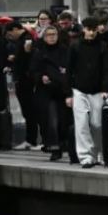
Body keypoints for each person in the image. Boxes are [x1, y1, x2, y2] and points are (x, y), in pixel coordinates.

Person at [66, 16, 108, 168]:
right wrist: (68, 93)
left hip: (97, 90)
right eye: (89, 29)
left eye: (94, 30)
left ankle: (97, 153)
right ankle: (86, 157)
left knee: (96, 124)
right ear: (84, 29)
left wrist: (105, 89)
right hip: (78, 90)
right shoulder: (75, 46)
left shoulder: (102, 47)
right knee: (81, 124)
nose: (91, 33)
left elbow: (106, 70)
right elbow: (69, 70)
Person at [31, 25, 71, 160]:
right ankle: (55, 147)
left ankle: (61, 144)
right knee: (51, 120)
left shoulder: (65, 51)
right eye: (49, 34)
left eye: (54, 34)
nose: (52, 37)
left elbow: (69, 69)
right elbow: (33, 71)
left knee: (63, 121)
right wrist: (41, 77)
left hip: (62, 91)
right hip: (46, 92)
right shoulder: (39, 52)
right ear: (44, 37)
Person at [5, 22, 40, 150]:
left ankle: (31, 140)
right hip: (24, 79)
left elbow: (27, 58)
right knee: (27, 110)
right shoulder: (23, 39)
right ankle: (30, 139)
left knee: (28, 110)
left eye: (10, 33)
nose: (10, 36)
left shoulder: (26, 39)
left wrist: (17, 59)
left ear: (15, 29)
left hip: (26, 80)